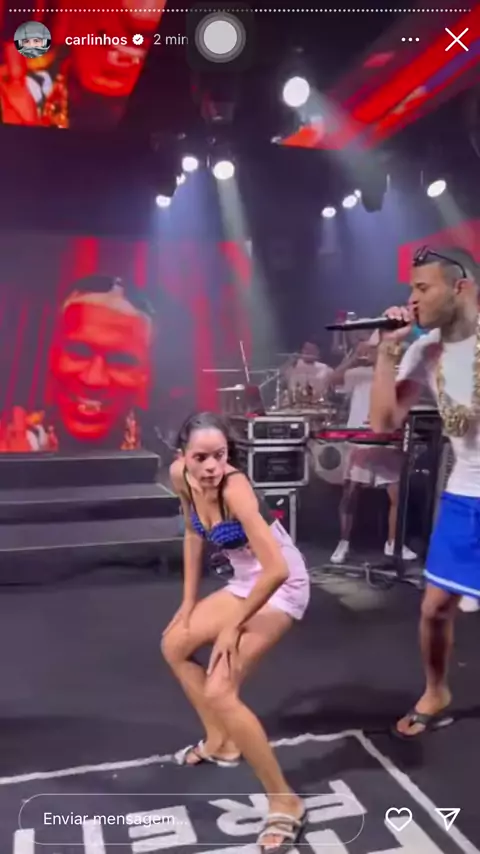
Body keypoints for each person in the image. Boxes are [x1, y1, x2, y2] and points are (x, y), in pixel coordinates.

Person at [161, 411, 310, 851]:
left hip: (281, 586)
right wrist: (188, 602)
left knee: (221, 690)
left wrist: (234, 626)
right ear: (183, 456)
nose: (211, 467)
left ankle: (285, 801)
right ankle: (221, 741)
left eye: (220, 456)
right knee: (173, 644)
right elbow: (193, 534)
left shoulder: (235, 489)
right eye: (201, 457)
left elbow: (277, 570)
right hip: (246, 581)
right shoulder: (180, 477)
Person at [369, 245, 480, 738]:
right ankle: (437, 690)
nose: (411, 300)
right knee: (434, 607)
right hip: (466, 491)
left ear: (460, 288)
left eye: (422, 288)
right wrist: (387, 350)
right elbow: (383, 422)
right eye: (410, 289)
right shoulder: (425, 350)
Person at [328, 332, 417, 564]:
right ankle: (343, 542)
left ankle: (393, 543)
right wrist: (353, 357)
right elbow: (332, 379)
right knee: (350, 494)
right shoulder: (359, 373)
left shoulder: (399, 374)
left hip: (387, 441)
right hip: (360, 441)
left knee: (397, 494)